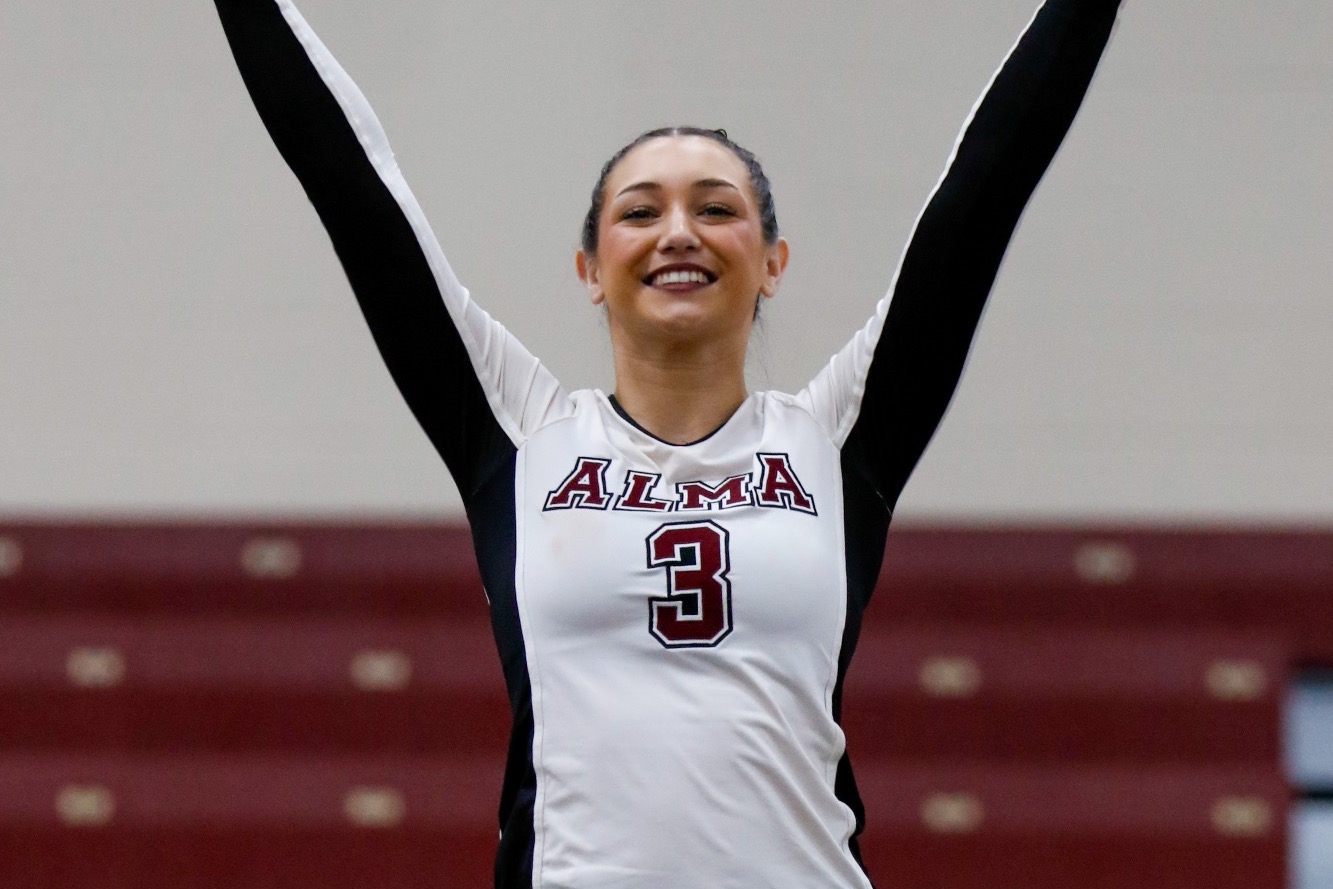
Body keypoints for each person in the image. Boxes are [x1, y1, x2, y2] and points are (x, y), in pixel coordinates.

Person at [213, 1, 1124, 886]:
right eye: (640, 212)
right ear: (589, 271)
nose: (679, 231)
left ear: (773, 260)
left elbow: (984, 190)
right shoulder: (519, 434)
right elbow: (354, 187)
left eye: (717, 209)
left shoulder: (835, 439)